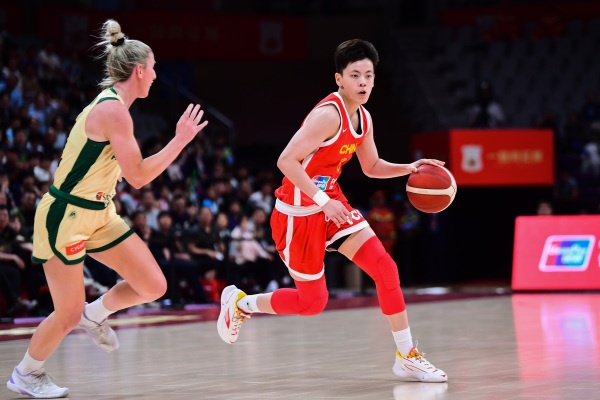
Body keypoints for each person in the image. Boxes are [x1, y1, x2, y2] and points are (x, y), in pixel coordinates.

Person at [217, 39, 447, 383]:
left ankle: (407, 356)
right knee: (312, 303)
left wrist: (409, 168)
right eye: (355, 75)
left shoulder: (364, 118)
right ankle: (240, 303)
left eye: (368, 75)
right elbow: (286, 161)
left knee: (385, 268)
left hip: (330, 202)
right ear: (339, 78)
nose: (363, 82)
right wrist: (324, 202)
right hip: (297, 212)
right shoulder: (327, 116)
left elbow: (371, 166)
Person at [6, 19, 208, 398]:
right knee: (66, 313)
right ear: (139, 71)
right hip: (65, 214)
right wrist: (179, 140)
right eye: (153, 68)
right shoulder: (113, 110)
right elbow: (138, 177)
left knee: (153, 285)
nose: (155, 75)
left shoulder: (118, 109)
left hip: (99, 212)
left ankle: (95, 314)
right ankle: (26, 373)